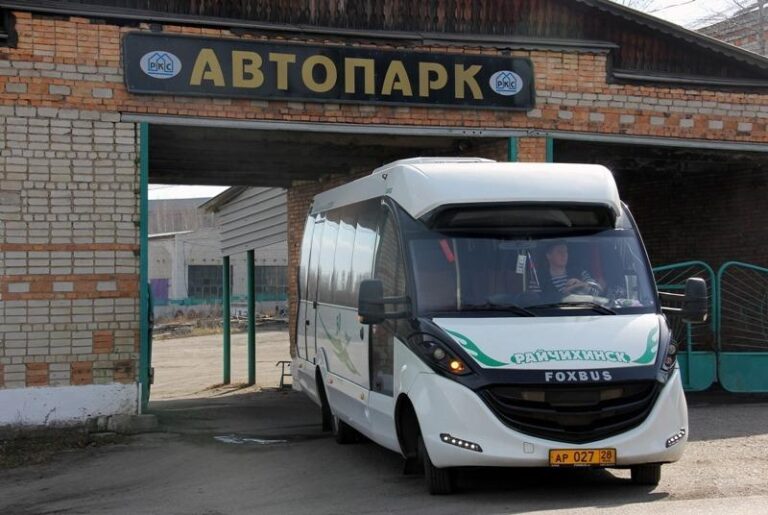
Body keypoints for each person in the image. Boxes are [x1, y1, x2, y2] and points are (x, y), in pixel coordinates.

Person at [534, 241, 603, 297]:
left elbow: (598, 292)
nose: (564, 254)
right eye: (559, 252)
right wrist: (564, 294)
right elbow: (535, 302)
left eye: (565, 251)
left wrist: (581, 285)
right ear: (548, 256)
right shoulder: (538, 279)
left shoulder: (580, 272)